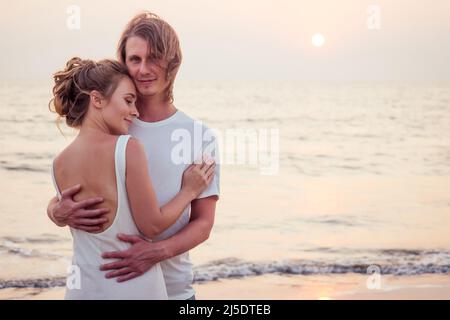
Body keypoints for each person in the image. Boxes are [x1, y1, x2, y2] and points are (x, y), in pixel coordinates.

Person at [47, 12, 220, 300]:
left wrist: (155, 252)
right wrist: (55, 210)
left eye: (154, 58)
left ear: (172, 63)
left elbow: (203, 224)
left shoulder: (198, 135)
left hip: (176, 291)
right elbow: (79, 178)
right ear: (124, 63)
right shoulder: (114, 120)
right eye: (135, 59)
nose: (144, 69)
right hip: (117, 287)